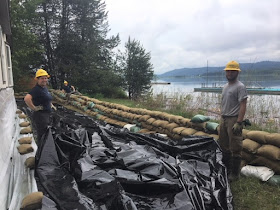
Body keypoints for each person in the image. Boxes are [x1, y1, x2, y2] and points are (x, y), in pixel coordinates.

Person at [218, 61, 248, 181]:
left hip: (233, 119)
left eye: (232, 71)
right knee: (224, 145)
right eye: (228, 71)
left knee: (235, 146)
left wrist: (239, 122)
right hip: (224, 118)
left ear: (237, 72)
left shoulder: (240, 86)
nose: (229, 73)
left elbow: (243, 105)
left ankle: (235, 174)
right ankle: (226, 169)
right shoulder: (226, 86)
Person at [24, 69, 56, 147]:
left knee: (46, 133)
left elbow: (46, 98)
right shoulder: (36, 89)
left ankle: (46, 148)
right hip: (40, 116)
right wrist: (34, 108)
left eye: (45, 78)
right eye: (42, 78)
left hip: (46, 114)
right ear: (37, 79)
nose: (44, 80)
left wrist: (51, 105)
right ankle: (41, 151)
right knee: (42, 134)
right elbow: (27, 98)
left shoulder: (44, 88)